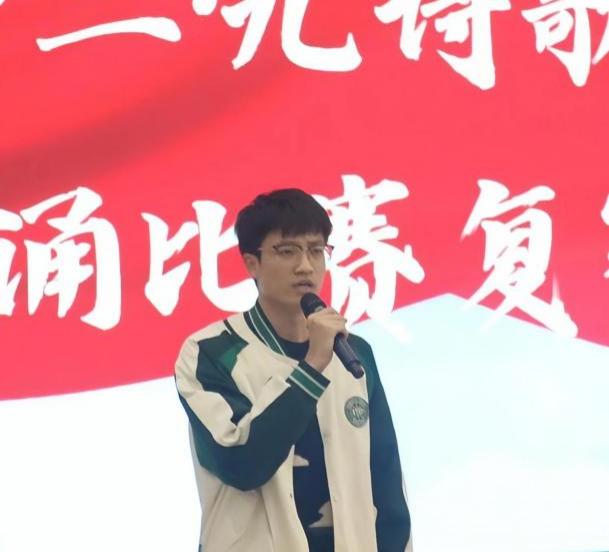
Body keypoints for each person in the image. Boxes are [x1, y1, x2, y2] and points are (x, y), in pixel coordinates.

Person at [175, 189, 411, 552]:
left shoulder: (355, 353)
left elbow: (386, 481)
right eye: (287, 251)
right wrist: (312, 366)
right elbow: (242, 464)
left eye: (316, 250)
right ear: (251, 263)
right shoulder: (211, 352)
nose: (305, 266)